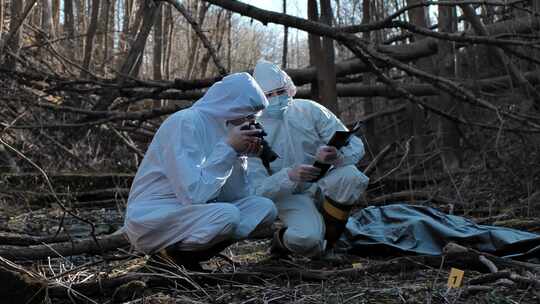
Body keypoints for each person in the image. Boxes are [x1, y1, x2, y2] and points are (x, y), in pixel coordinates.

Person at [123, 72, 278, 270]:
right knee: (228, 215)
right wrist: (229, 149)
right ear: (230, 106)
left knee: (263, 207)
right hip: (153, 216)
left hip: (193, 214)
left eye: (254, 118)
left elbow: (235, 196)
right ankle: (167, 258)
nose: (251, 124)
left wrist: (240, 156)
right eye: (247, 116)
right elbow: (194, 195)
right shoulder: (185, 122)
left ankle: (186, 258)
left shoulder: (228, 130)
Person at [248, 60, 369, 258]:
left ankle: (331, 244)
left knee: (351, 176)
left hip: (323, 183)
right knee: (307, 239)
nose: (277, 98)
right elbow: (256, 189)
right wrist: (289, 176)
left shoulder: (310, 110)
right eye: (269, 95)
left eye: (280, 91)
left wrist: (336, 156)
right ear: (259, 98)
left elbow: (355, 145)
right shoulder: (253, 130)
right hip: (289, 195)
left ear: (288, 87)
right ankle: (282, 241)